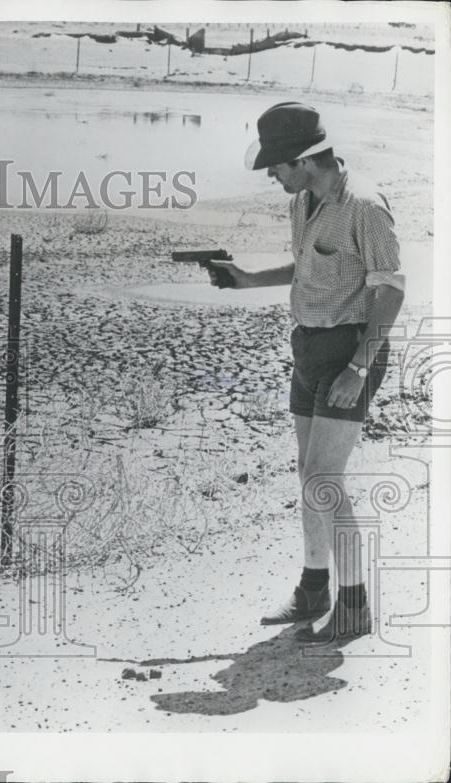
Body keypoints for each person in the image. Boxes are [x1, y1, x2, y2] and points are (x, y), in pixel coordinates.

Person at [209, 102, 405, 642]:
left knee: (324, 479)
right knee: (309, 477)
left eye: (277, 165)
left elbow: (390, 289)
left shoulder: (364, 205)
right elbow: (312, 267)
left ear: (304, 158)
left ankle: (355, 604)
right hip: (308, 347)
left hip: (351, 349)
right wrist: (249, 280)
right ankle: (313, 588)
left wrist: (359, 368)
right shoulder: (303, 202)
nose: (272, 174)